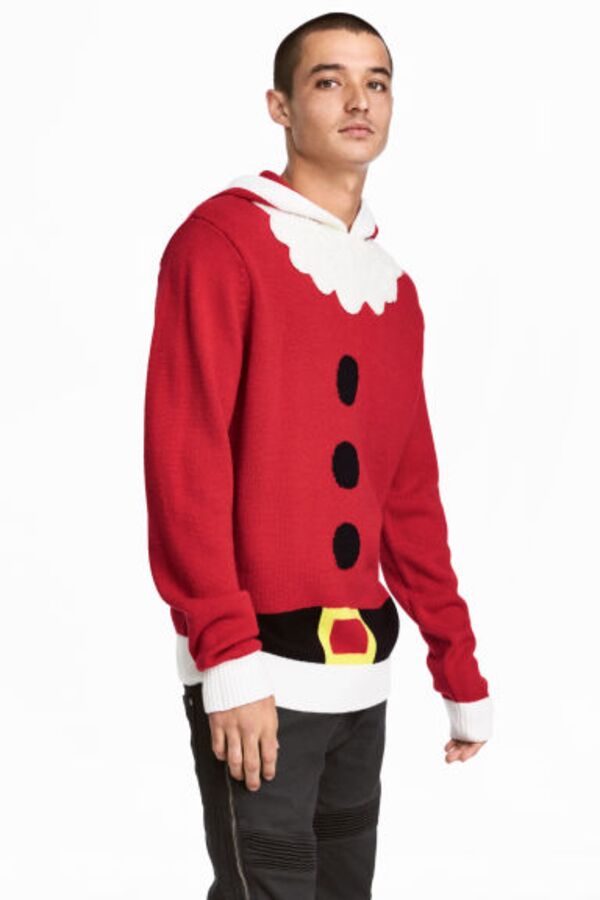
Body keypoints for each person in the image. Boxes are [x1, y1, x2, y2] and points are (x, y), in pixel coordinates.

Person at [143, 11, 493, 899]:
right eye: (329, 81)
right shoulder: (220, 243)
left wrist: (455, 662)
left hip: (360, 673)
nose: (357, 101)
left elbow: (408, 494)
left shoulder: (395, 289)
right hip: (258, 667)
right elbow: (186, 461)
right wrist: (227, 659)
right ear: (280, 105)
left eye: (377, 82)